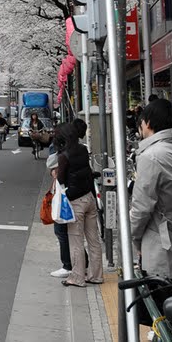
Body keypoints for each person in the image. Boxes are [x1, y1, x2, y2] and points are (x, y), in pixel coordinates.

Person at [128, 98, 172, 280]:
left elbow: (141, 207)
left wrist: (134, 240)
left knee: (162, 301)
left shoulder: (151, 156)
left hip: (162, 245)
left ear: (148, 123)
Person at [56, 122, 103, 287]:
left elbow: (61, 179)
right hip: (89, 197)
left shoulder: (64, 155)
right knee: (93, 239)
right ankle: (96, 276)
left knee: (76, 241)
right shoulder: (83, 149)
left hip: (75, 202)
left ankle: (77, 278)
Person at [47, 152, 72, 278]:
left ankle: (67, 266)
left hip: (65, 204)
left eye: (52, 170)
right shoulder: (74, 153)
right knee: (72, 236)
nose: (52, 173)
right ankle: (83, 264)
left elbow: (60, 182)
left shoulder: (62, 159)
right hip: (79, 200)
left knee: (62, 233)